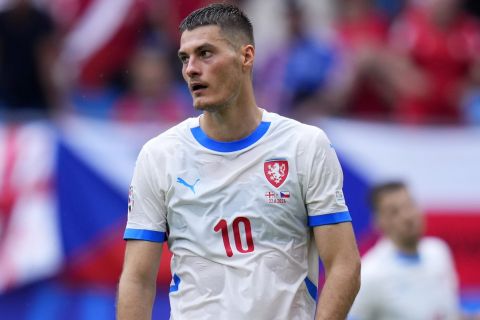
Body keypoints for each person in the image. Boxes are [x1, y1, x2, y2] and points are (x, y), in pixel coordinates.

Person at [117, 3, 360, 320]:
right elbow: (137, 279)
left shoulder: (304, 146)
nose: (191, 68)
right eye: (184, 58)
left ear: (246, 57)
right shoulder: (159, 155)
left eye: (205, 53)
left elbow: (345, 265)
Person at [349, 181, 460, 320]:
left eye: (410, 205)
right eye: (394, 212)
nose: (408, 216)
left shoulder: (438, 252)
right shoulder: (369, 274)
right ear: (378, 222)